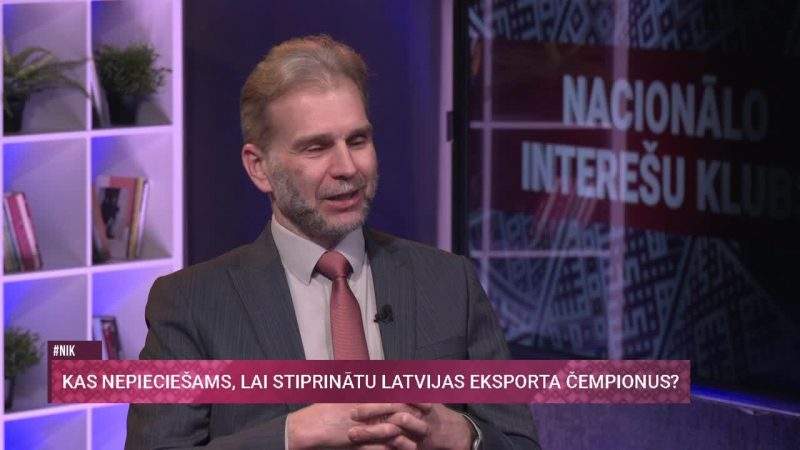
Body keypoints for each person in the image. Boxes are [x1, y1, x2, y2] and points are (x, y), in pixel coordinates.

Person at [126, 35, 539, 450]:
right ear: (259, 167)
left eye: (357, 141)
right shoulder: (192, 304)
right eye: (317, 147)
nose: (347, 167)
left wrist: (464, 435)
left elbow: (520, 443)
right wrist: (291, 435)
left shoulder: (449, 282)